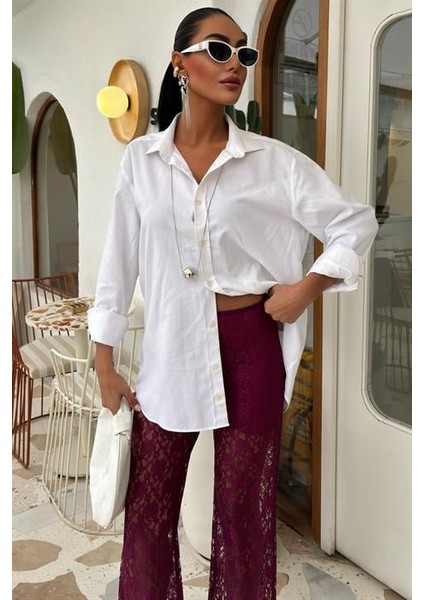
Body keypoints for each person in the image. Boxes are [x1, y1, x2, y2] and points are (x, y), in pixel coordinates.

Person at [88, 6, 378, 599]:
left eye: (244, 53)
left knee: (244, 513)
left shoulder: (273, 163)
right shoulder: (141, 162)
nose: (236, 64)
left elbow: (355, 223)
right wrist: (104, 359)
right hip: (171, 347)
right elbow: (117, 262)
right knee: (149, 508)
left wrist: (305, 290)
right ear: (181, 63)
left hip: (252, 347)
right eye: (219, 49)